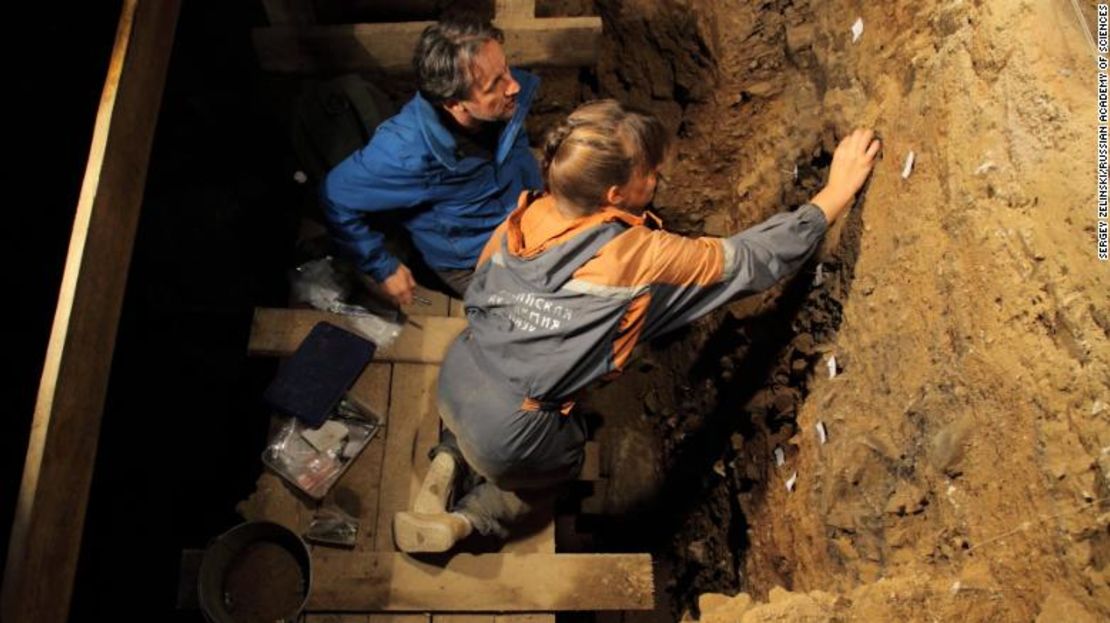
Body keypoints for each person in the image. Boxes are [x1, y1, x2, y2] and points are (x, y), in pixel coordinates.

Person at [392, 100, 881, 552]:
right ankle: (464, 521)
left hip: (458, 371)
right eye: (649, 173)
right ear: (613, 193)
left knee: (492, 403)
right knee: (557, 467)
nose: (657, 178)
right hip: (509, 432)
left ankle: (447, 461)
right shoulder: (636, 251)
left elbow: (483, 286)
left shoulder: (529, 212)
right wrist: (834, 194)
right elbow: (748, 261)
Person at [321, 17, 543, 305]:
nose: (514, 86)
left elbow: (517, 150)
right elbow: (335, 194)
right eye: (494, 84)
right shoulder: (406, 152)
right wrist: (382, 267)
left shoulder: (501, 105)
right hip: (472, 258)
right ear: (454, 103)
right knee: (544, 312)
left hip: (526, 216)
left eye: (506, 69)